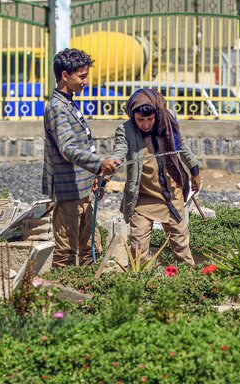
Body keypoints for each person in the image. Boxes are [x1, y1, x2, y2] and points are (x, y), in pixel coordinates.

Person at [42, 48, 118, 268]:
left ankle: (86, 293)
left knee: (89, 248)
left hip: (82, 189)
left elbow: (83, 144)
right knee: (67, 252)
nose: (86, 81)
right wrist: (99, 163)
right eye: (82, 76)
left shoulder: (68, 103)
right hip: (69, 192)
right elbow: (68, 148)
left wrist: (96, 175)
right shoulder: (57, 108)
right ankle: (61, 298)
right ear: (65, 76)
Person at [112, 89, 200, 265]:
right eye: (140, 120)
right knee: (138, 248)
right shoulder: (126, 130)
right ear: (133, 116)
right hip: (143, 196)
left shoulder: (167, 122)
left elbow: (182, 147)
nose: (145, 124)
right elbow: (119, 151)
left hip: (171, 193)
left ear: (157, 114)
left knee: (180, 242)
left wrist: (194, 171)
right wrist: (110, 165)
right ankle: (140, 285)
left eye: (150, 119)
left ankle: (189, 281)